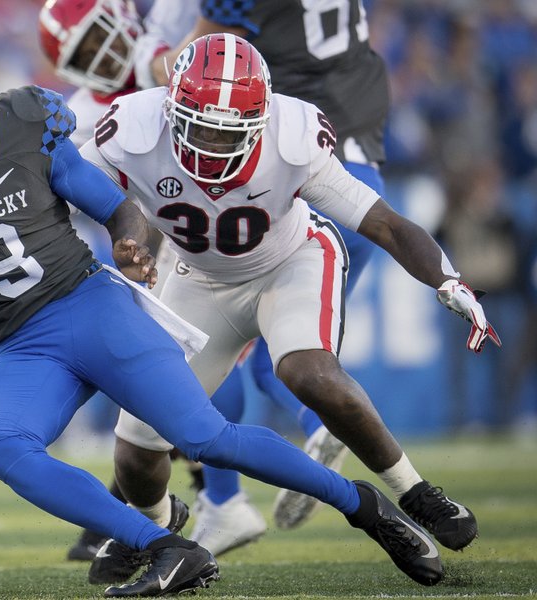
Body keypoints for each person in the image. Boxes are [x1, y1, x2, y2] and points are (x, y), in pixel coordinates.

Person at [0, 4, 446, 596]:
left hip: (90, 306)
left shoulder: (28, 120)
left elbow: (118, 210)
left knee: (204, 438)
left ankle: (365, 507)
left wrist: (131, 247)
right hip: (20, 343)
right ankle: (167, 545)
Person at [79, 32, 500, 586]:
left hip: (290, 261)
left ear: (263, 120)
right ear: (170, 105)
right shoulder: (130, 128)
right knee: (136, 450)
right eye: (199, 124)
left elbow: (385, 223)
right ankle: (160, 534)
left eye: (227, 132)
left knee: (308, 372)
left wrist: (447, 279)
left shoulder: (294, 136)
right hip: (195, 278)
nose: (210, 144)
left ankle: (415, 492)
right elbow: (67, 192)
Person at [123, 0, 395, 545]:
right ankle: (314, 433)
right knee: (283, 355)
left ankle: (225, 501)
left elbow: (199, 64)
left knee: (206, 339)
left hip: (271, 172)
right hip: (357, 160)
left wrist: (156, 61)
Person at [39, 0, 267, 562]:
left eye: (95, 39)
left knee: (188, 366)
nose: (98, 57)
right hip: (147, 253)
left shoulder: (176, 65)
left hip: (212, 232)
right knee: (161, 376)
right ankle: (180, 503)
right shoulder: (87, 109)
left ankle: (216, 498)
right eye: (83, 56)